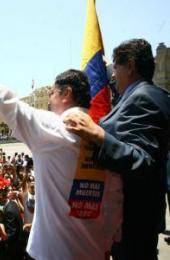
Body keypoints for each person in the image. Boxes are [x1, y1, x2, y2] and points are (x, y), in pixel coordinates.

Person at [0, 42, 122, 259]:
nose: (50, 99)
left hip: (50, 253)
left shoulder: (52, 128)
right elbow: (115, 200)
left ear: (66, 94)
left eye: (52, 93)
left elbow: (3, 99)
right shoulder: (105, 138)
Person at [64, 38, 170, 260]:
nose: (112, 75)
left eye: (116, 67)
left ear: (130, 65)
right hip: (137, 219)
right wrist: (107, 65)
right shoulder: (144, 93)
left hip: (134, 223)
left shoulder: (143, 99)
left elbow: (143, 160)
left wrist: (98, 135)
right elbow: (127, 116)